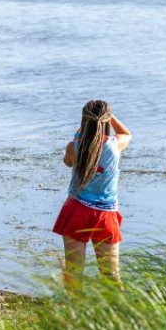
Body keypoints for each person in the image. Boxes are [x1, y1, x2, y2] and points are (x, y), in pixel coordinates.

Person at [53, 100, 132, 290]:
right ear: (106, 120)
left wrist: (78, 135)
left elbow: (67, 162)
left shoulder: (74, 146)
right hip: (105, 214)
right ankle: (119, 306)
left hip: (77, 211)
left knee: (73, 272)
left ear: (84, 120)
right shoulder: (115, 145)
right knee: (111, 275)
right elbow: (127, 134)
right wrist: (111, 117)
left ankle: (75, 307)